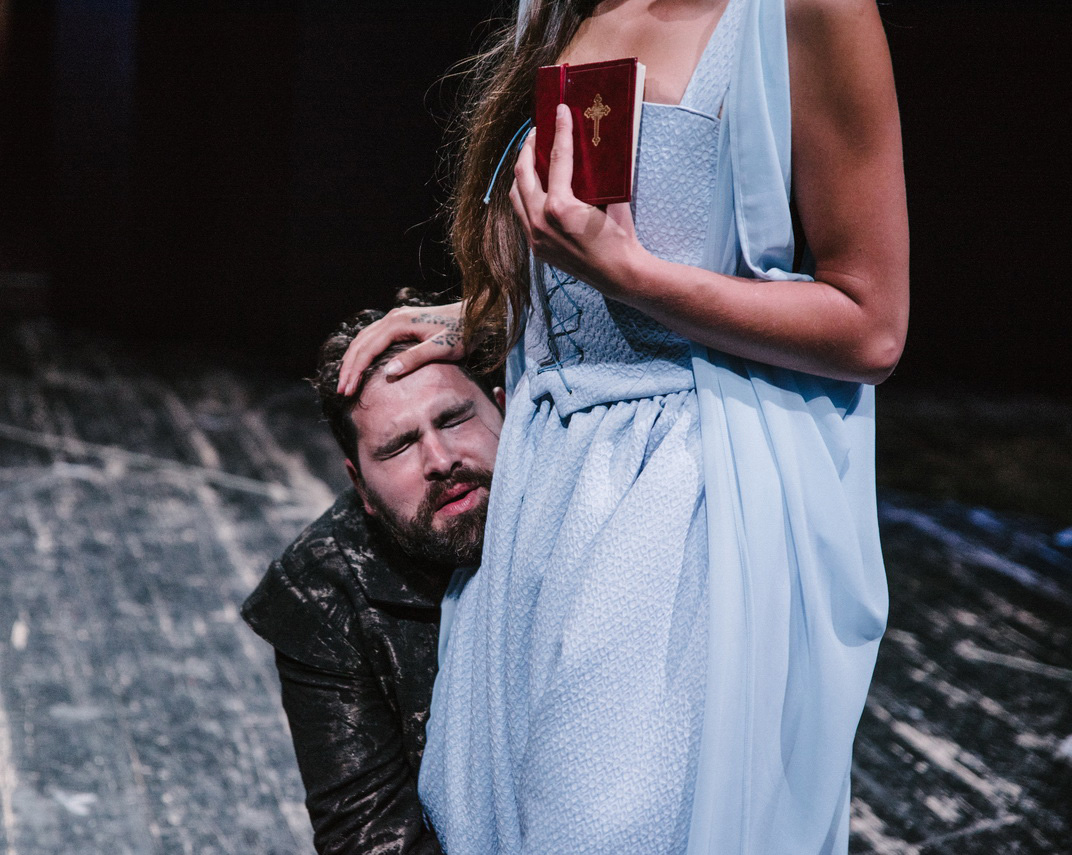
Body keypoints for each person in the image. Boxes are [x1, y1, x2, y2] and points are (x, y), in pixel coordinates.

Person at [336, 0, 908, 852]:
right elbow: (583, 252)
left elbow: (872, 326)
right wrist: (488, 313)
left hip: (683, 493)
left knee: (604, 822)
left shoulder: (801, 11)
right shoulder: (562, 9)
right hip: (550, 481)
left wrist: (630, 275)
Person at [242, 296, 505, 855]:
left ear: (504, 408)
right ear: (359, 484)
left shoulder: (592, 509)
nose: (441, 459)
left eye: (454, 419)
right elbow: (368, 836)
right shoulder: (321, 588)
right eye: (399, 446)